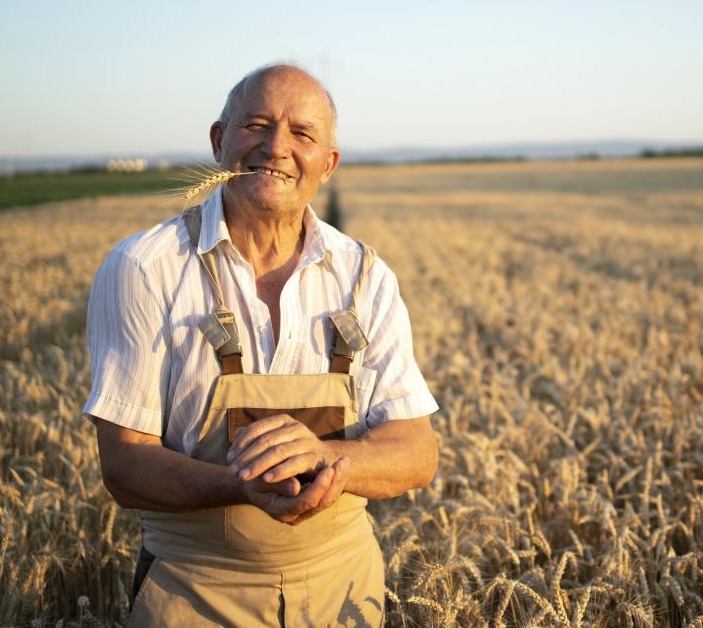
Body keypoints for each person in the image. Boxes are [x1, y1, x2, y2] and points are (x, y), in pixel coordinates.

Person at [83, 63, 439, 626]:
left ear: (329, 163)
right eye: (256, 125)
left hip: (344, 591)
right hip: (191, 590)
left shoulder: (366, 277)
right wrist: (243, 487)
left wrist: (327, 457)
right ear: (220, 141)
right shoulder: (144, 268)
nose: (276, 147)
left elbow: (417, 451)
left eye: (303, 134)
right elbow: (124, 465)